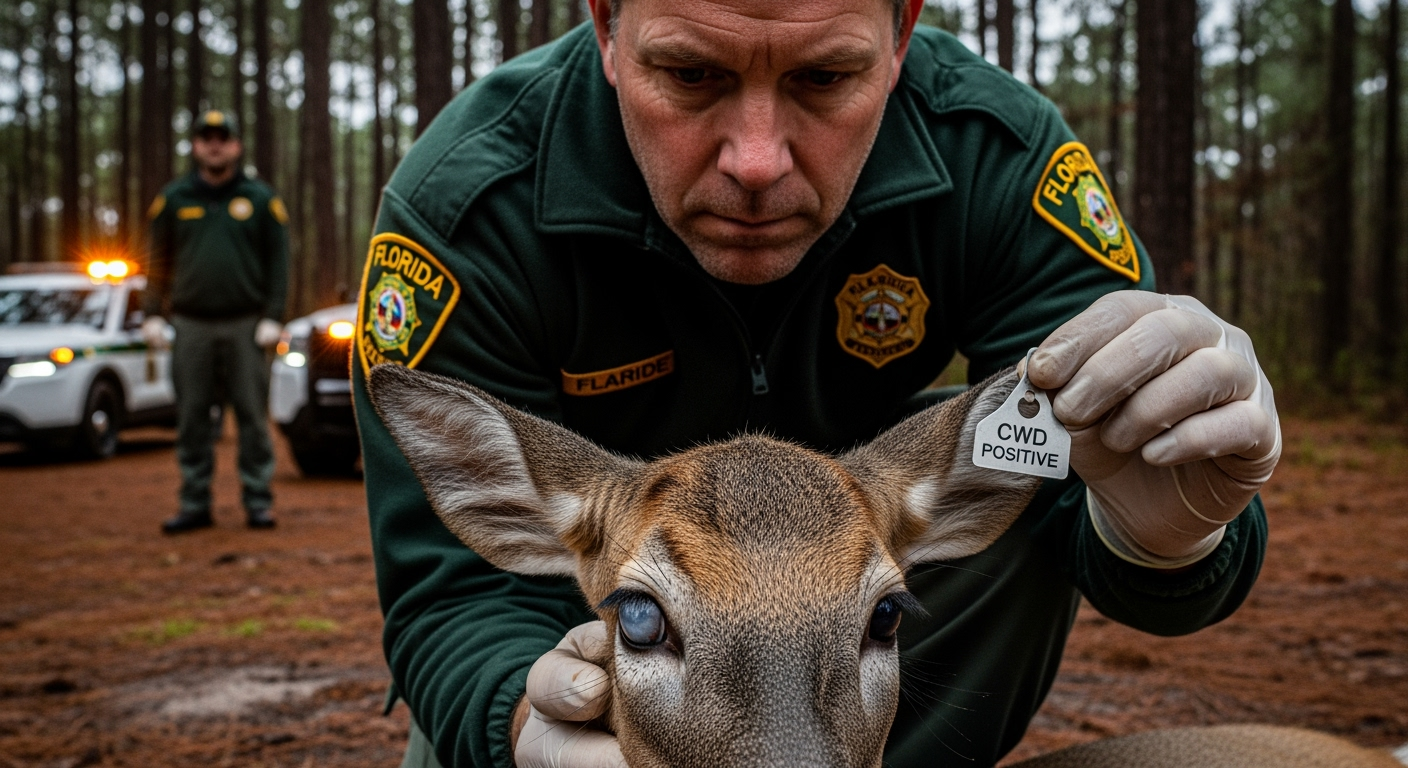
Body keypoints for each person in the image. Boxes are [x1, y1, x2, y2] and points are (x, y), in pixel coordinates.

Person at [351, 0, 1280, 765]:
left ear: (903, 32)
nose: (756, 162)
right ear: (604, 24)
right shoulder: (471, 210)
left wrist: (1164, 534)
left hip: (864, 650)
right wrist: (522, 725)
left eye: (825, 79)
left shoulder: (995, 159)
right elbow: (449, 594)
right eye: (690, 76)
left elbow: (1111, 488)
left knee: (1025, 451)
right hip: (600, 657)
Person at [143, 109, 290, 533]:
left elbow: (279, 263)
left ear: (236, 145)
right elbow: (157, 260)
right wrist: (152, 312)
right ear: (195, 145)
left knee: (251, 417)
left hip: (246, 325)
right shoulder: (173, 199)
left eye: (222, 137)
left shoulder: (261, 200)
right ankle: (194, 502)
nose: (214, 144)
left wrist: (273, 316)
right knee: (191, 417)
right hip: (191, 325)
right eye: (206, 137)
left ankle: (258, 500)